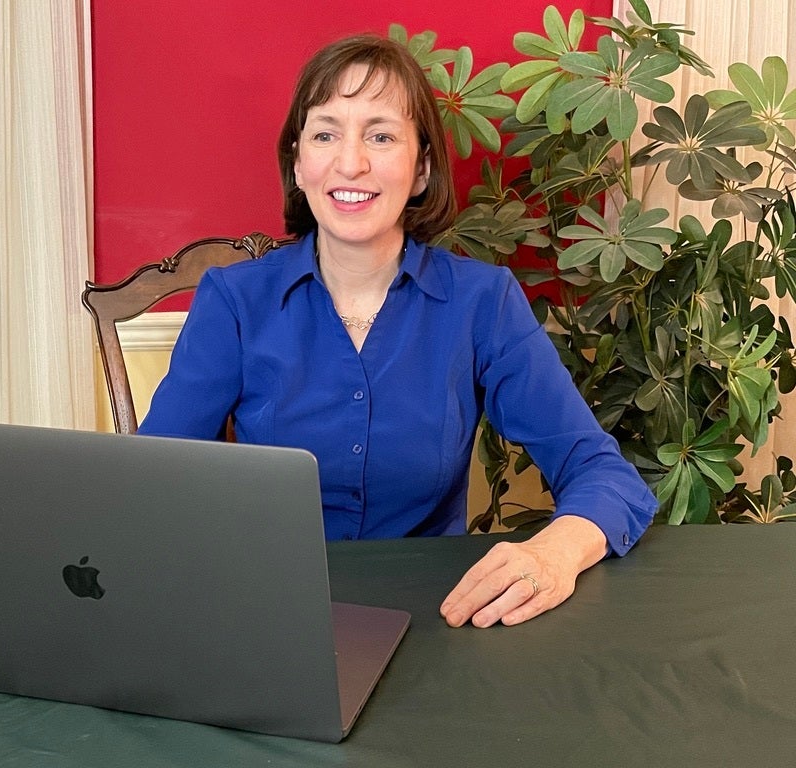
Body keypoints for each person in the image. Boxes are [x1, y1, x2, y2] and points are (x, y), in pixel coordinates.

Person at [138, 34, 657, 628]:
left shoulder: (482, 302)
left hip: (435, 618)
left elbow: (602, 473)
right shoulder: (233, 301)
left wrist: (553, 552)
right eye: (326, 133)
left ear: (421, 170)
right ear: (300, 164)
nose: (350, 162)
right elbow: (154, 484)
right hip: (268, 614)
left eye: (381, 136)